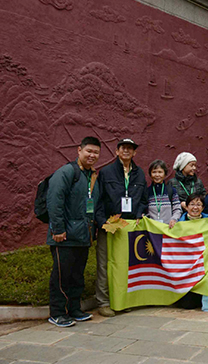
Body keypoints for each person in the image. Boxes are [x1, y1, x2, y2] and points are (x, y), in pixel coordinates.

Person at [46, 136, 101, 327]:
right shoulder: (66, 172)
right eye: (89, 151)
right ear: (79, 150)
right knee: (61, 276)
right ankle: (57, 313)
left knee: (77, 275)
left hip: (83, 235)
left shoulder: (91, 176)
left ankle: (74, 309)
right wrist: (58, 229)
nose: (92, 155)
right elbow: (54, 201)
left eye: (96, 152)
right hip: (64, 236)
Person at [94, 138, 148, 318]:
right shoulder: (106, 172)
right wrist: (103, 222)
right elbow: (98, 200)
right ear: (117, 151)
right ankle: (103, 302)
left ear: (134, 153)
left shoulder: (139, 173)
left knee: (125, 264)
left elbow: (143, 200)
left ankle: (122, 300)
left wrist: (139, 213)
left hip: (129, 226)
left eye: (130, 148)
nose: (126, 151)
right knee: (104, 264)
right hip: (110, 224)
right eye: (123, 148)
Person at [145, 159, 181, 228]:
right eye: (154, 172)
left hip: (168, 229)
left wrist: (174, 219)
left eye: (160, 172)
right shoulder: (147, 191)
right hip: (152, 229)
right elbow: (144, 210)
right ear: (150, 174)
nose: (157, 175)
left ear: (165, 174)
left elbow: (177, 209)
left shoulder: (171, 191)